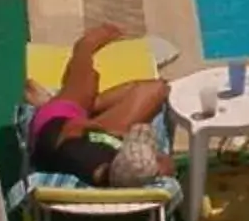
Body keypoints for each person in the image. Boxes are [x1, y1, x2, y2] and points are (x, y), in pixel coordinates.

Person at [26, 20, 174, 189]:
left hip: (59, 121)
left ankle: (84, 47)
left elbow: (69, 129)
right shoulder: (139, 175)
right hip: (102, 130)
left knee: (89, 78)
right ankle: (95, 103)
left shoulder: (80, 158)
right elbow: (168, 166)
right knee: (158, 89)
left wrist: (111, 129)